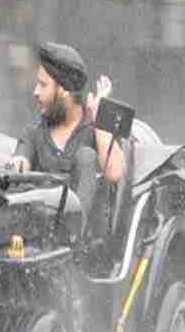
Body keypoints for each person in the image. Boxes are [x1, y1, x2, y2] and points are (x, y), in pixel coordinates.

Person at [7, 42, 126, 233]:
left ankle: (72, 234)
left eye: (43, 85)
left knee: (86, 156)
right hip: (39, 238)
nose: (35, 92)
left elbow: (114, 173)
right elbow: (20, 163)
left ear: (63, 90)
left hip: (86, 249)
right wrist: (16, 165)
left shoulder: (94, 131)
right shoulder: (34, 133)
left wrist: (99, 116)